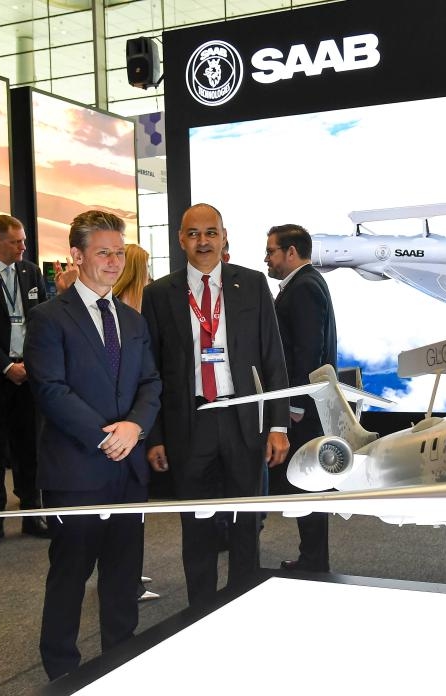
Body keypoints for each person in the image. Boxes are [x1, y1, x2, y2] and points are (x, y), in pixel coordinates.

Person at [24, 210, 161, 681]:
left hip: (128, 471)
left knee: (123, 577)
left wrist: (135, 427)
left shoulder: (132, 320)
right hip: (76, 471)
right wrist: (108, 437)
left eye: (119, 253)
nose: (113, 261)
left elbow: (151, 382)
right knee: (70, 575)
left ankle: (120, 664)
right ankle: (63, 674)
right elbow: (50, 390)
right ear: (77, 255)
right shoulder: (48, 318)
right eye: (103, 252)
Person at [142, 202, 290, 608]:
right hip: (190, 423)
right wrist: (154, 436)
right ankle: (201, 610)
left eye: (211, 232)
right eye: (194, 233)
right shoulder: (159, 294)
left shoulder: (253, 284)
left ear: (224, 237)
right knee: (197, 525)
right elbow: (151, 370)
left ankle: (243, 603)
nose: (203, 241)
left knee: (247, 522)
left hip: (244, 419)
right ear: (181, 240)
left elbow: (273, 357)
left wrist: (278, 425)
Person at [0, 214, 48, 546]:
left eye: (23, 241)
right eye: (16, 242)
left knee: (30, 446)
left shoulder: (31, 272)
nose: (22, 247)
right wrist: (5, 366)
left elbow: (42, 319)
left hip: (29, 374)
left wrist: (29, 362)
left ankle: (32, 513)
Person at [264, 223, 337, 572]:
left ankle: (313, 561)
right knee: (308, 482)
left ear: (291, 252)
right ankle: (312, 558)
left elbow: (308, 350)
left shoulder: (304, 287)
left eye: (271, 251)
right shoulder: (307, 282)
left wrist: (294, 404)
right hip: (309, 405)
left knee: (308, 482)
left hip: (304, 408)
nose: (266, 259)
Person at [110, 242, 160, 602]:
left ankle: (124, 577)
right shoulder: (137, 309)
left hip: (128, 421)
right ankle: (127, 581)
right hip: (135, 423)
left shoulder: (118, 305)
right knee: (129, 512)